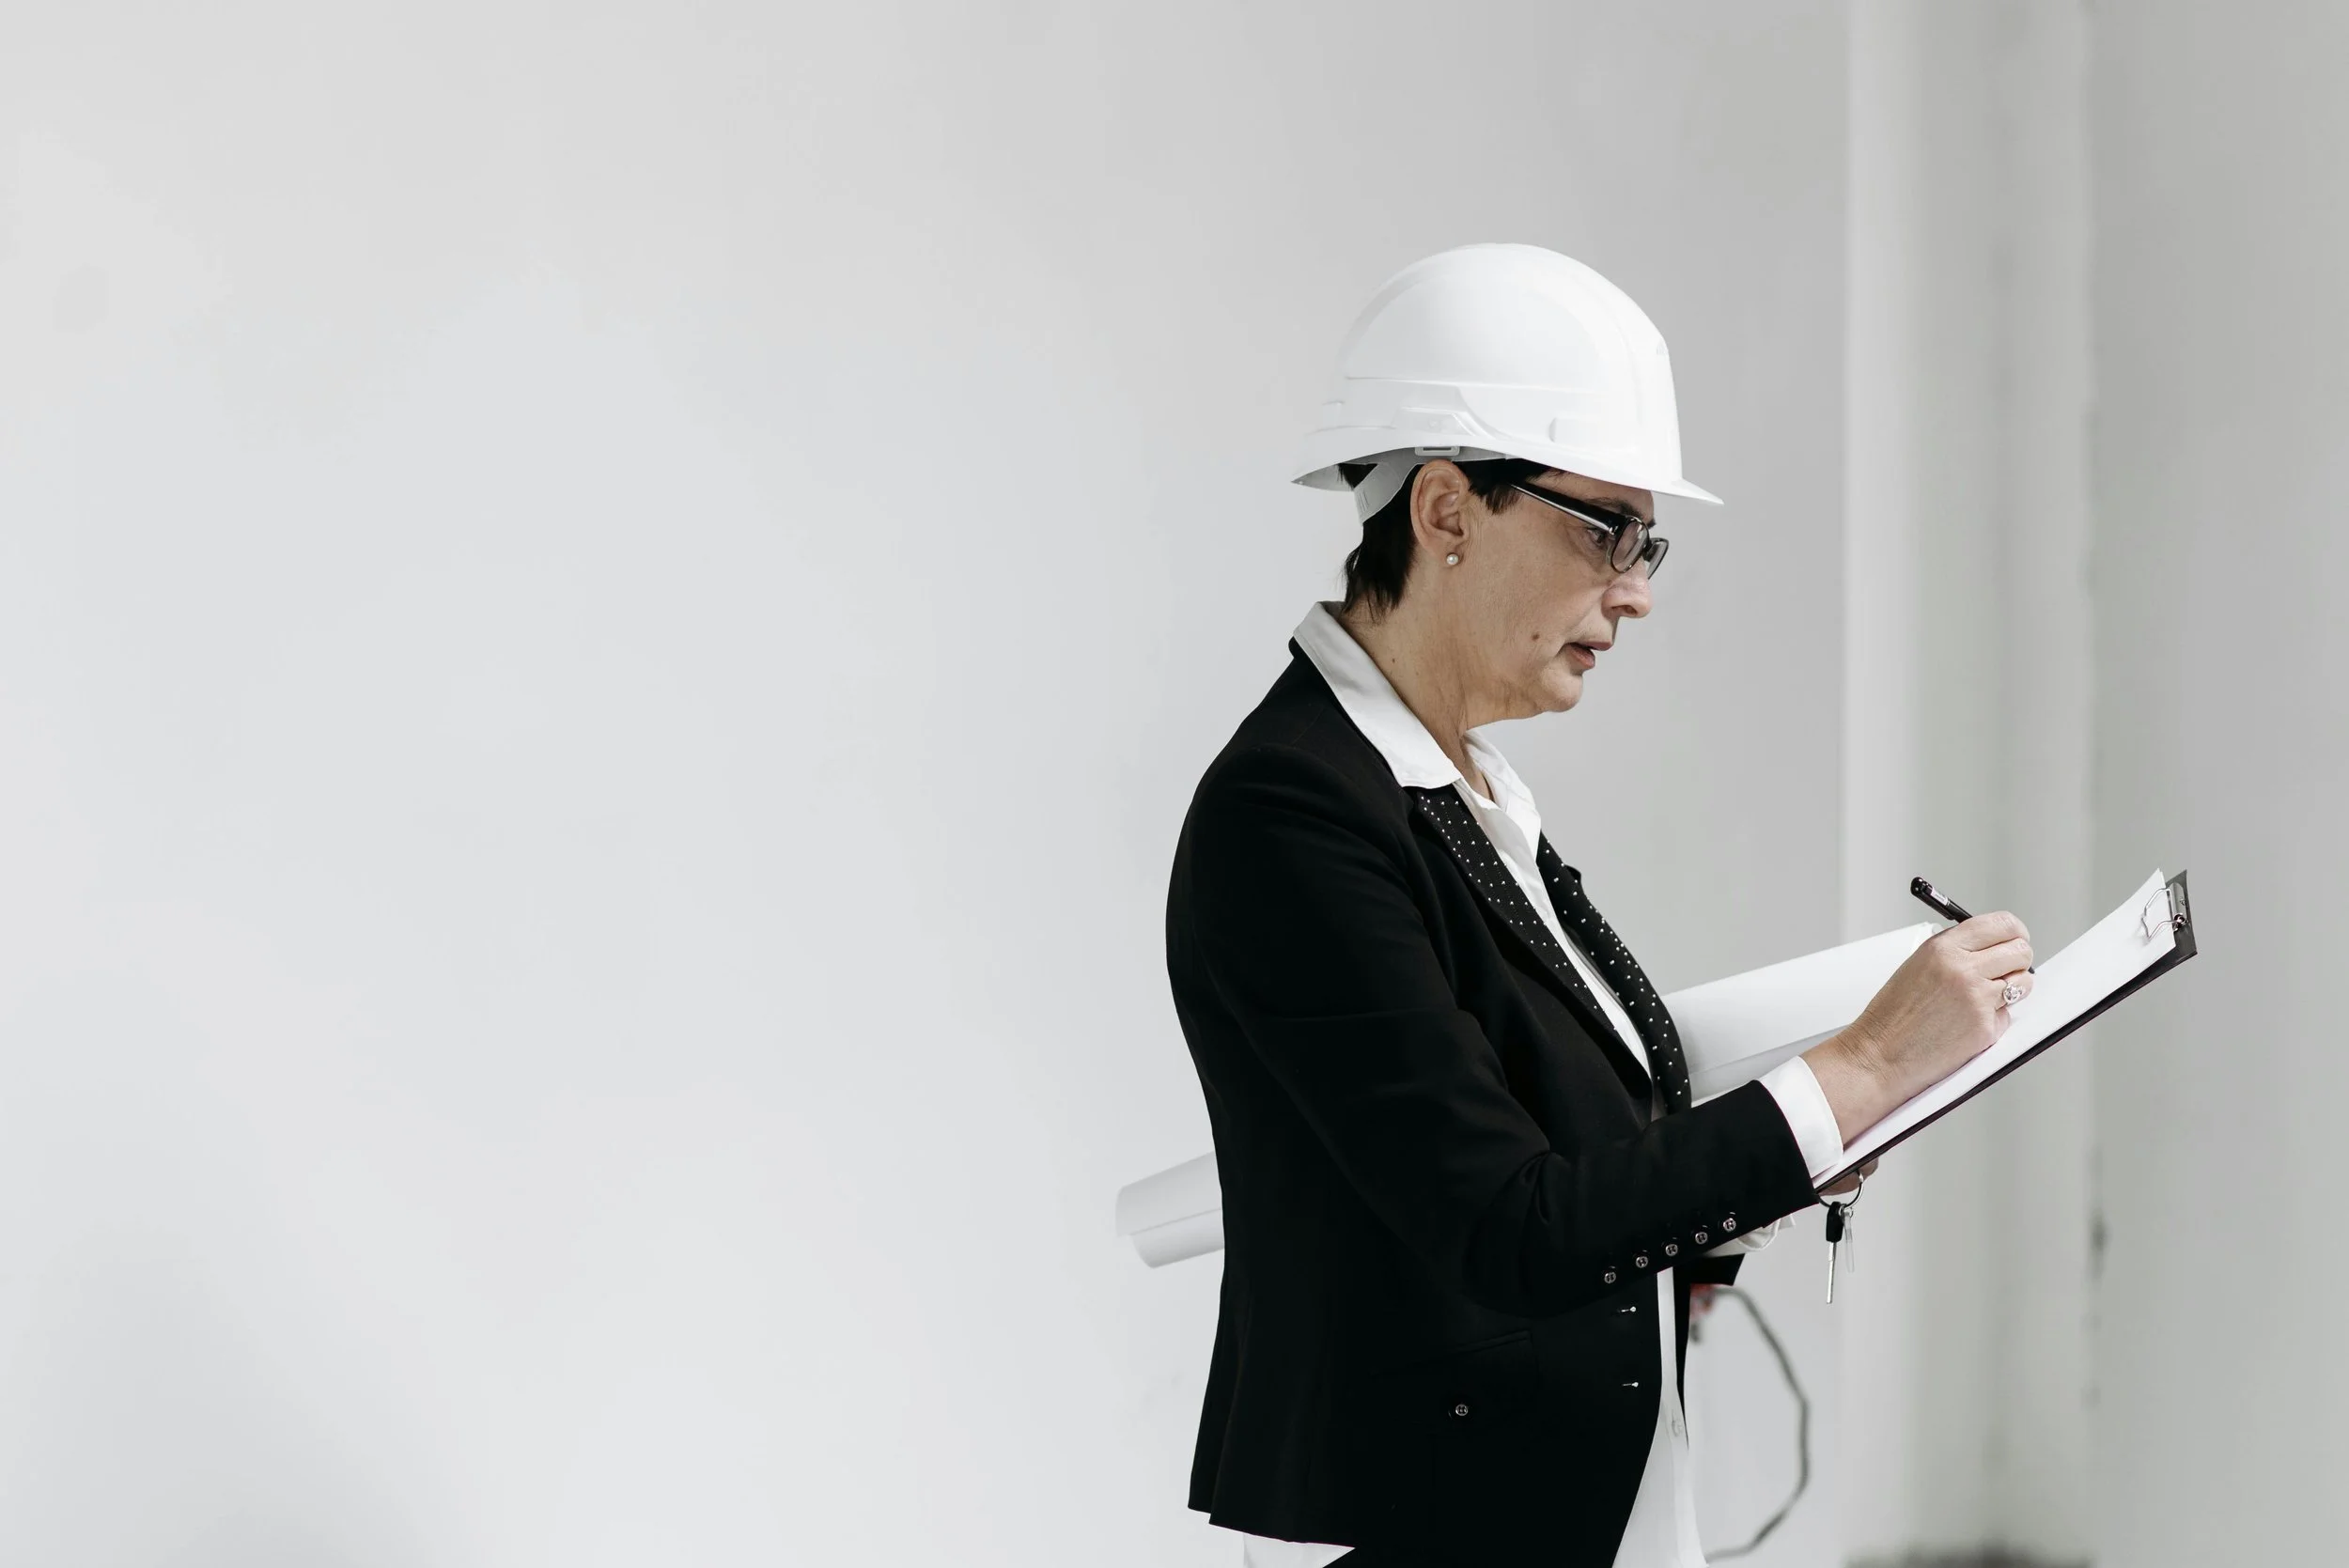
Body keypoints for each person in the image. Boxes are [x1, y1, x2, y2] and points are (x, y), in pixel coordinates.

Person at [1163, 245, 2034, 1568]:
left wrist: (1776, 1160)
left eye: (1648, 540)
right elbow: (1511, 1228)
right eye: (1603, 531)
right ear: (1446, 511)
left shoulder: (1462, 791)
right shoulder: (1295, 813)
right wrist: (1854, 1070)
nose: (1636, 589)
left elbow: (1572, 1153)